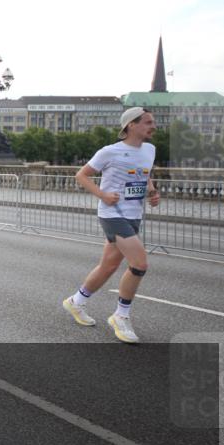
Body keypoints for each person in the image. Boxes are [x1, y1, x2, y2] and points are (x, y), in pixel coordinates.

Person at [63, 107, 159, 344]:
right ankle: (121, 315)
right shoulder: (110, 151)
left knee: (108, 265)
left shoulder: (149, 149)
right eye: (148, 122)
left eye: (153, 122)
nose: (153, 126)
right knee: (139, 264)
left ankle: (76, 301)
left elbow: (144, 174)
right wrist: (103, 194)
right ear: (131, 125)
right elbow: (81, 175)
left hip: (134, 214)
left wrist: (152, 192)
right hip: (112, 214)